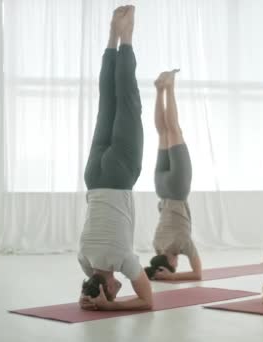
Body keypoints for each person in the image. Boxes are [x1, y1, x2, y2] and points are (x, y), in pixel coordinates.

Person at [77, 5, 153, 311]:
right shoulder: (84, 259)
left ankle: (126, 36)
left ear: (107, 287)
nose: (118, 290)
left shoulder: (124, 258)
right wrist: (90, 297)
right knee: (107, 102)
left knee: (127, 100)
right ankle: (111, 36)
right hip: (93, 178)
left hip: (119, 175)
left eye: (113, 291)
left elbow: (147, 301)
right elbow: (91, 284)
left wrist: (109, 307)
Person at [144, 69, 202, 281]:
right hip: (162, 188)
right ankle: (160, 90)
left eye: (175, 266)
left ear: (169, 264)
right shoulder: (156, 244)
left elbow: (198, 274)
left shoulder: (182, 243)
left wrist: (171, 278)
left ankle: (169, 87)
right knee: (163, 134)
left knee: (174, 130)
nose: (178, 264)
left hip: (177, 189)